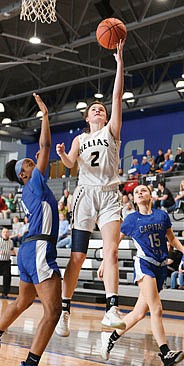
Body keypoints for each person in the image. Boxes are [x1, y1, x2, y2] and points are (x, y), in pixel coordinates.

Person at [0, 94, 62, 366]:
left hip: (28, 249)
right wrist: (45, 115)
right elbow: (45, 146)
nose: (32, 160)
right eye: (27, 163)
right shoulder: (34, 182)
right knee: (53, 312)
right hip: (38, 247)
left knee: (24, 300)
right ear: (24, 175)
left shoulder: (29, 190)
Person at [55, 39, 126, 337]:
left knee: (111, 252)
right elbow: (71, 163)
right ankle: (64, 310)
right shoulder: (79, 140)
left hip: (110, 195)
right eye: (93, 110)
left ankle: (112, 308)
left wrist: (120, 64)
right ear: (86, 118)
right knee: (78, 257)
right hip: (85, 196)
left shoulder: (112, 131)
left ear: (106, 116)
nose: (98, 110)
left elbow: (117, 96)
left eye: (101, 109)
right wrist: (62, 156)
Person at [100, 185, 184, 366]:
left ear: (151, 195)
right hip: (144, 264)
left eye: (143, 190)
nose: (140, 193)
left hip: (161, 267)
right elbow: (114, 242)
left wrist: (183, 250)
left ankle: (111, 338)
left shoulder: (162, 215)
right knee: (156, 309)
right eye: (136, 192)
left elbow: (171, 238)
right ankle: (165, 353)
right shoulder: (131, 219)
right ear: (133, 199)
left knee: (139, 313)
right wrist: (104, 262)